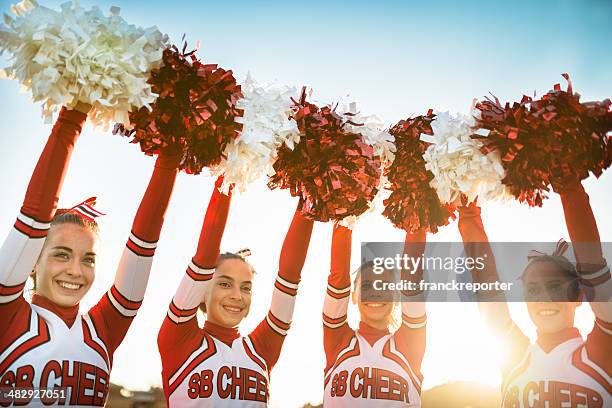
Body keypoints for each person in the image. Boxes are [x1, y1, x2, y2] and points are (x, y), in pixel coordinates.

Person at [0, 104, 180, 406]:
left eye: (88, 259)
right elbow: (32, 216)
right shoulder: (9, 316)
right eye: (61, 254)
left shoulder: (103, 328)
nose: (75, 270)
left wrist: (171, 156)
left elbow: (144, 242)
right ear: (32, 262)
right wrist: (73, 114)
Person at [157, 181, 314, 407]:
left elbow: (289, 276)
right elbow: (203, 256)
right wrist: (228, 175)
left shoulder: (262, 348)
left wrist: (310, 193)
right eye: (224, 284)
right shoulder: (179, 338)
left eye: (246, 287)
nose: (237, 295)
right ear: (202, 291)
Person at [458, 181, 611, 407]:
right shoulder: (515, 355)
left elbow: (593, 266)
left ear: (579, 296)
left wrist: (569, 185)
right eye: (533, 289)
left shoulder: (602, 351)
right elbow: (486, 282)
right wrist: (467, 210)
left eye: (555, 286)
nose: (544, 298)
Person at [322, 223, 427, 407]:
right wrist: (344, 214)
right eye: (367, 286)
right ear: (353, 296)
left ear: (396, 296)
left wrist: (417, 212)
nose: (375, 293)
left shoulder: (409, 343)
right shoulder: (338, 339)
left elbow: (412, 276)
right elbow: (338, 277)